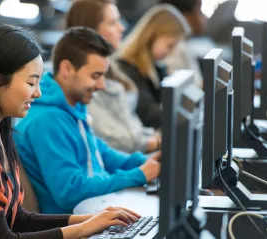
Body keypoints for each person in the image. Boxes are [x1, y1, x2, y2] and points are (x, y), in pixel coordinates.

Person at [0, 25, 143, 239]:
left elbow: (18, 219)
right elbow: (3, 237)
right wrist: (83, 229)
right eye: (31, 83)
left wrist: (92, 219)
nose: (38, 94)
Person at [13, 27, 161, 214]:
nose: (102, 85)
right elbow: (71, 191)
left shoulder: (72, 107)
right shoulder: (47, 121)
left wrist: (145, 162)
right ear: (67, 69)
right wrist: (138, 175)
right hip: (76, 221)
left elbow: (103, 154)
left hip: (96, 210)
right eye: (95, 76)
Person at [65, 0, 161, 153]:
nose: (121, 28)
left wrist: (155, 137)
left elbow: (129, 123)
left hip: (130, 157)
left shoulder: (112, 67)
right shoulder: (81, 80)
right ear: (91, 31)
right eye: (112, 23)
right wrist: (155, 142)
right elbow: (108, 136)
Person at [116, 4, 191, 129]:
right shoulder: (127, 67)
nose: (171, 52)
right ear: (152, 36)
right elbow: (147, 113)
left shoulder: (155, 66)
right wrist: (182, 120)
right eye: (169, 46)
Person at [159, 0, 206, 87]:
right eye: (199, 11)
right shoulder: (174, 49)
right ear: (185, 17)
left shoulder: (183, 44)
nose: (204, 17)